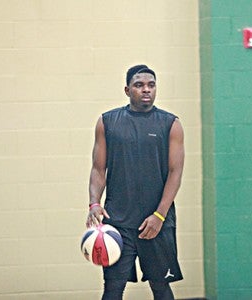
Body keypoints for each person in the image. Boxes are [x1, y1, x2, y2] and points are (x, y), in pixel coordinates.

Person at [86, 64, 184, 300]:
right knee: (113, 289)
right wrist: (94, 203)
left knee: (161, 288)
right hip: (118, 223)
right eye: (139, 85)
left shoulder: (171, 124)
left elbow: (175, 173)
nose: (146, 90)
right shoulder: (107, 122)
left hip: (157, 222)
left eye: (151, 85)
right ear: (127, 90)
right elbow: (99, 169)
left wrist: (159, 215)